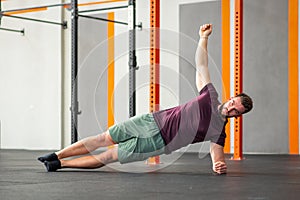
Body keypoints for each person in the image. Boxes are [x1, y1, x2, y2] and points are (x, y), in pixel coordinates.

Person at [38, 24, 253, 175]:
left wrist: (218, 166)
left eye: (237, 111)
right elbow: (202, 66)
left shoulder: (218, 130)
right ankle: (56, 154)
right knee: (103, 138)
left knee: (108, 157)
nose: (232, 108)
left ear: (237, 116)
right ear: (231, 98)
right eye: (234, 103)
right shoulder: (210, 96)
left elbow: (217, 155)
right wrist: (204, 38)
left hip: (157, 142)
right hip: (149, 121)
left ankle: (61, 163)